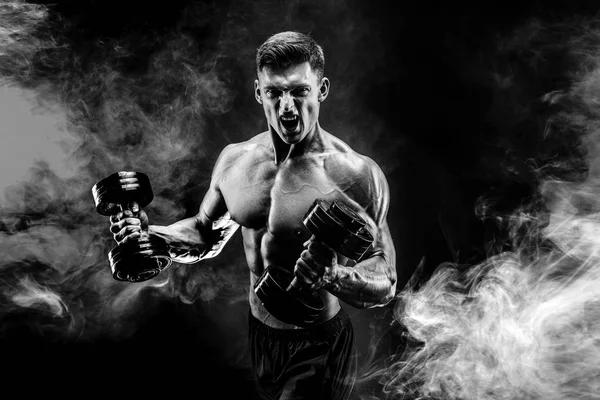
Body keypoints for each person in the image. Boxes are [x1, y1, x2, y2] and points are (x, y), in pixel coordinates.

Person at [109, 31, 397, 400]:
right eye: (275, 92)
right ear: (259, 92)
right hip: (259, 337)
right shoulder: (235, 161)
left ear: (322, 89)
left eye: (299, 91)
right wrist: (153, 237)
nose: (287, 107)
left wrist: (334, 275)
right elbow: (204, 234)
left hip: (317, 347)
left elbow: (385, 280)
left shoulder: (355, 175)